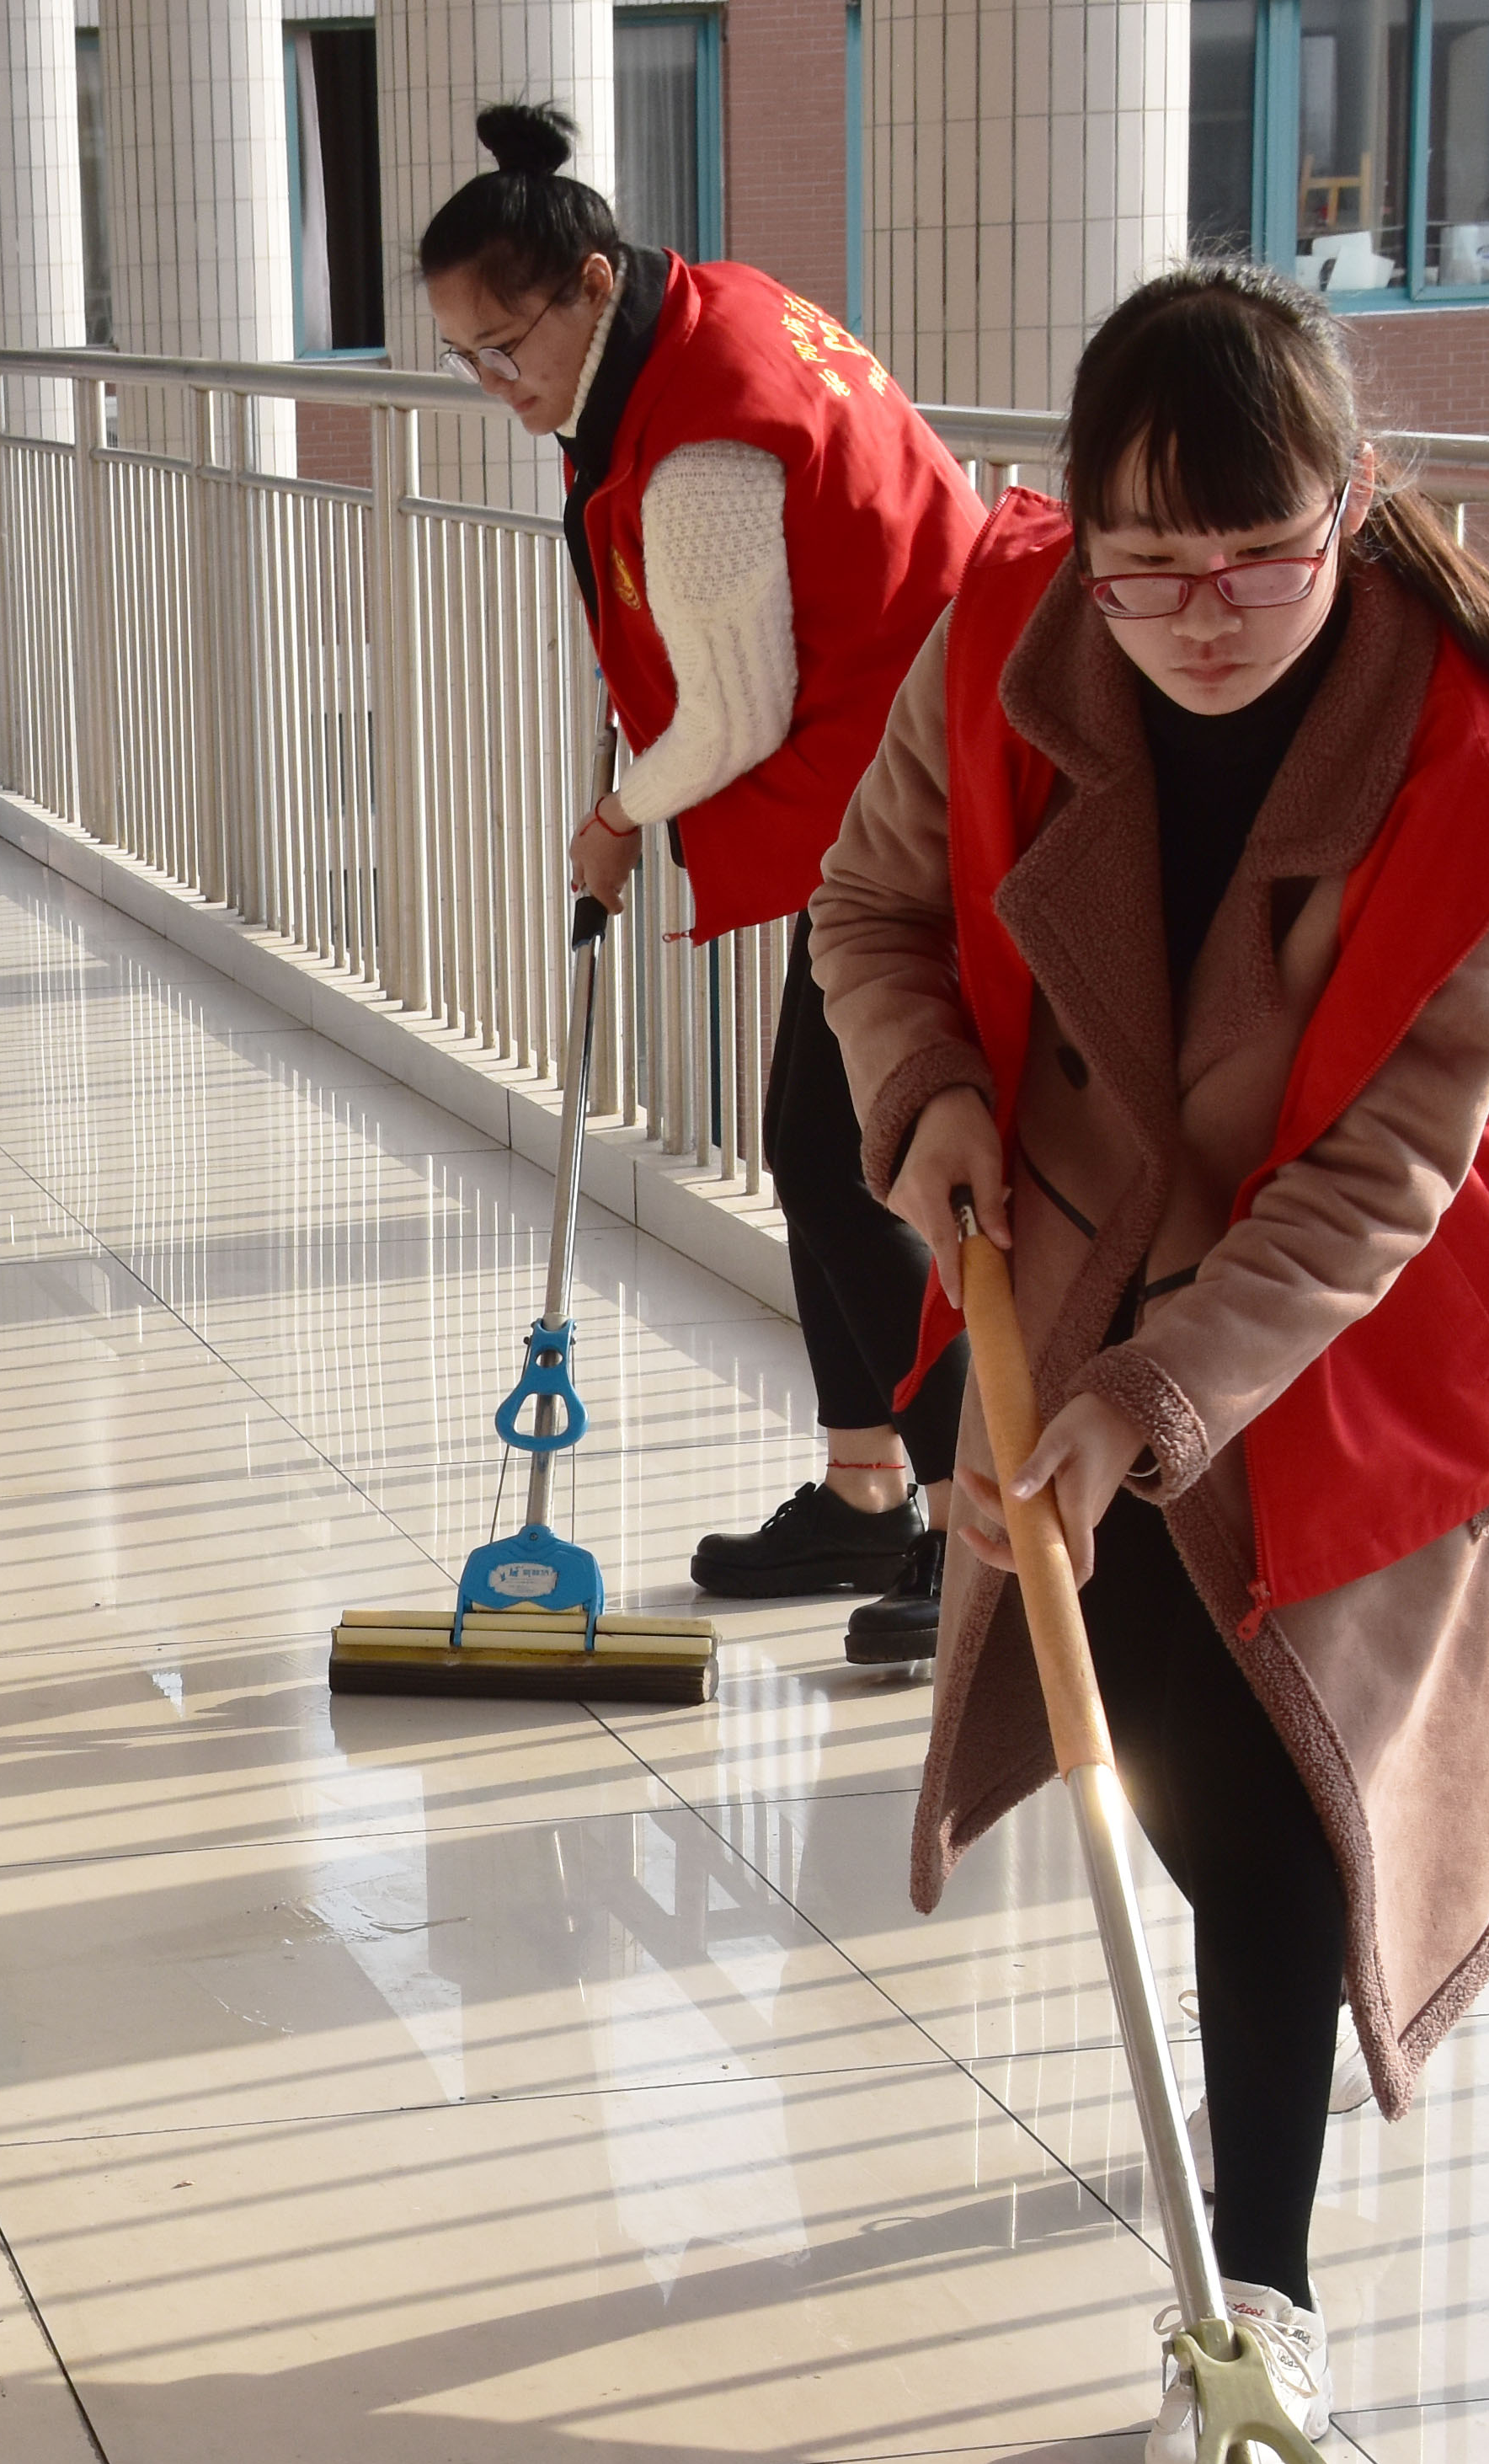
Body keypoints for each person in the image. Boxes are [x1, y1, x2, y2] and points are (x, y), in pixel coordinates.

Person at [806, 264, 1489, 2464]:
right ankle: (1241, 2232)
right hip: (1083, 1245)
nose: (1201, 614)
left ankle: (1253, 2311)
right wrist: (933, 1105)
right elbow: (869, 908)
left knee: (1291, 1796)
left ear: (1353, 503)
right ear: (1081, 534)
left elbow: (1385, 1174)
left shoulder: (1480, 765)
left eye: (1260, 559)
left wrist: (1143, 1409)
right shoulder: (1003, 629)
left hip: (1369, 1319)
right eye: (1148, 565)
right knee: (1180, 1774)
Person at [411, 108, 989, 1674]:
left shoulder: (708, 434)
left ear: (593, 283)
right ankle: (869, 1487)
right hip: (900, 758)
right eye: (466, 356)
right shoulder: (697, 320)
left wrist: (615, 816)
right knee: (816, 1141)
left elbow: (730, 714)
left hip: (932, 788)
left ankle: (971, 1528)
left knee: (839, 1147)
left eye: (509, 341)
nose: (497, 382)